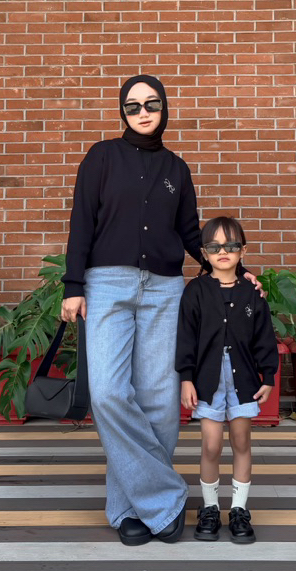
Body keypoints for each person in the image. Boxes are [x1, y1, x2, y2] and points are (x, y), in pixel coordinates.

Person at [59, 74, 262, 546]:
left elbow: (191, 234)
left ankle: (131, 510)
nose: (143, 112)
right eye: (132, 106)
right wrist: (73, 285)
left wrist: (235, 269)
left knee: (159, 402)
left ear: (164, 108)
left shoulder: (177, 168)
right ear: (122, 112)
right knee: (108, 393)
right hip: (107, 285)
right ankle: (165, 498)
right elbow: (81, 220)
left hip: (165, 290)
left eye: (151, 104)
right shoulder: (101, 157)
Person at [176, 216, 279, 543]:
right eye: (214, 246)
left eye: (231, 246)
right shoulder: (195, 292)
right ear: (204, 253)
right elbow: (185, 338)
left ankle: (238, 509)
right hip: (207, 382)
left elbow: (264, 337)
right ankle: (209, 509)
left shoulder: (252, 293)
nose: (223, 252)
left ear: (242, 251)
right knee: (210, 444)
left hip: (243, 380)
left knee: (241, 441)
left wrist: (268, 375)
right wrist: (186, 378)